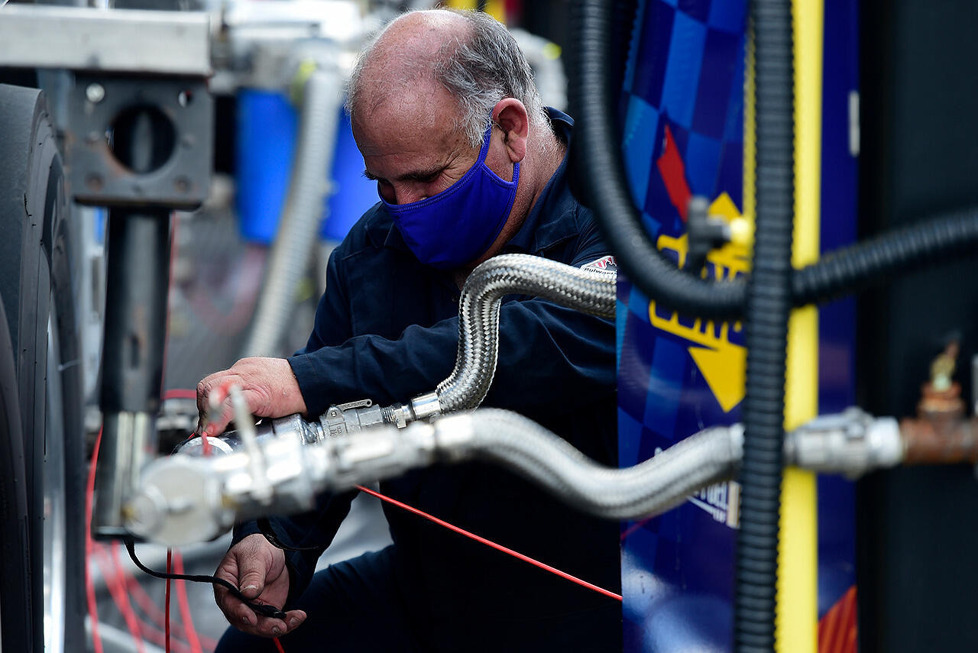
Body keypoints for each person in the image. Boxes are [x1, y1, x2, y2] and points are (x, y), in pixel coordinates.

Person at [197, 8, 621, 652]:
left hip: (592, 608)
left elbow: (539, 345)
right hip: (436, 591)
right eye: (384, 185)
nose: (407, 210)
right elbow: (329, 425)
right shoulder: (374, 252)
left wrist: (306, 380)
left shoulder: (621, 212)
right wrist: (276, 540)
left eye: (426, 180)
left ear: (509, 128)